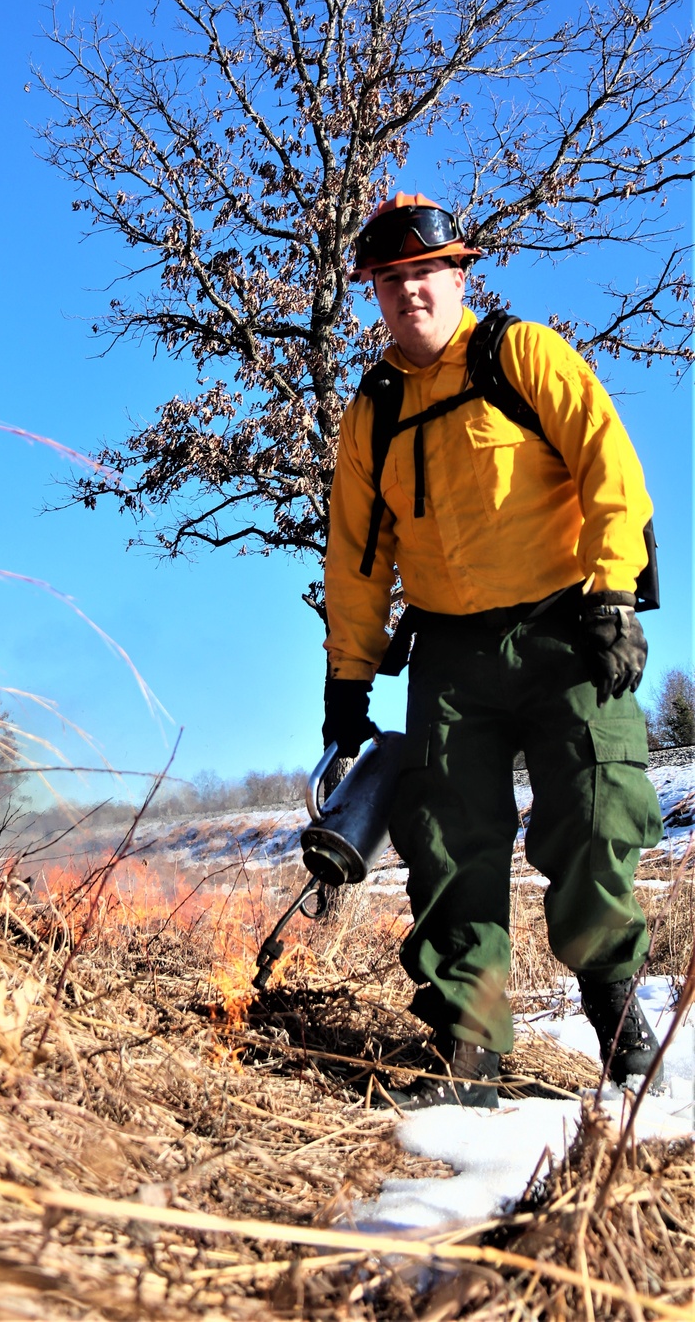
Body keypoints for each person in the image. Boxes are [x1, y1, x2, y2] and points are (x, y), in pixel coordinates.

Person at [322, 192, 664, 1109]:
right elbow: (356, 559)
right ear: (375, 294)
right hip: (449, 658)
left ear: (458, 275)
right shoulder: (374, 409)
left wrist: (615, 593)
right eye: (389, 282)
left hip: (567, 629)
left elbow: (608, 464)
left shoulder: (523, 355)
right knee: (446, 847)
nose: (408, 294)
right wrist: (348, 683)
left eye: (424, 274)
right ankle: (469, 1056)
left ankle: (620, 1013)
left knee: (597, 813)